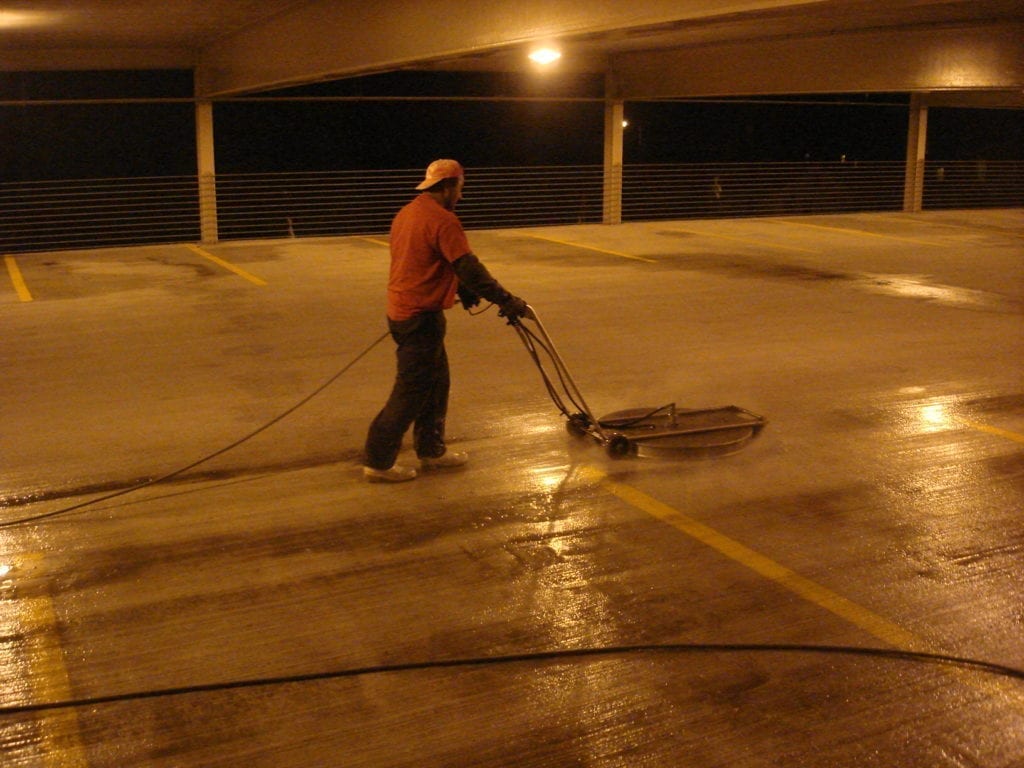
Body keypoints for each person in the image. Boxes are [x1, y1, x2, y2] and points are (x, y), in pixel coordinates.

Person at [363, 159, 528, 483]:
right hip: (418, 318)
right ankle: (378, 461)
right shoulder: (443, 219)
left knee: (437, 385)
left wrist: (461, 290)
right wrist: (506, 300)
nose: (461, 196)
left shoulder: (407, 213)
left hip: (406, 312)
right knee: (411, 392)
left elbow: (430, 261)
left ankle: (431, 450)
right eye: (460, 189)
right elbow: (468, 267)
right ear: (449, 185)